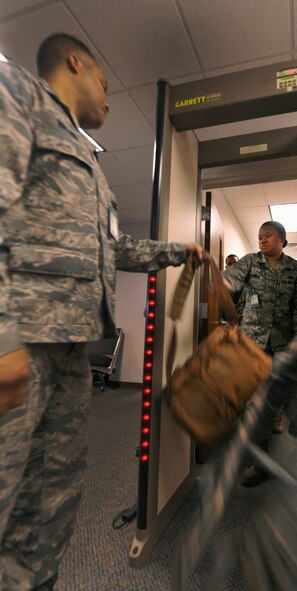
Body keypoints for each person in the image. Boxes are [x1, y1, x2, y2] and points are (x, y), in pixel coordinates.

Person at [0, 33, 203, 591]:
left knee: (52, 493)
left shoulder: (93, 166)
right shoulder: (16, 94)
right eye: (107, 85)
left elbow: (113, 252)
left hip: (70, 348)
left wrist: (179, 252)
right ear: (75, 63)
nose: (110, 99)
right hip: (21, 344)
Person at [224, 220, 297, 486]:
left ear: (282, 240)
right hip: (254, 349)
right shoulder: (250, 262)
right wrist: (224, 283)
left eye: (268, 235)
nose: (262, 239)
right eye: (259, 236)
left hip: (286, 347)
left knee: (296, 402)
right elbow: (231, 279)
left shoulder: (296, 271)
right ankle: (260, 463)